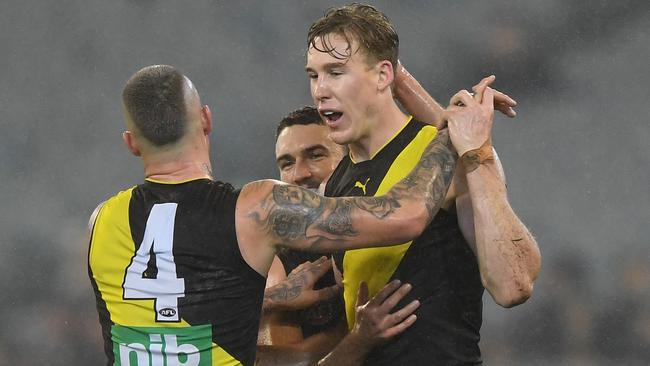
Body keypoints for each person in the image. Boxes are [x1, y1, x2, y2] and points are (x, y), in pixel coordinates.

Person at [87, 64, 484, 366]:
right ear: (206, 120)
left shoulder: (100, 223)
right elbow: (408, 215)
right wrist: (450, 133)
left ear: (130, 143)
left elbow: (166, 308)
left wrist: (274, 297)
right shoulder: (258, 209)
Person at [304, 4, 542, 364]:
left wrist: (478, 155)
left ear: (384, 75)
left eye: (335, 72)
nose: (320, 90)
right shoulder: (333, 186)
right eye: (313, 75)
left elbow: (514, 285)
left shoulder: (447, 154)